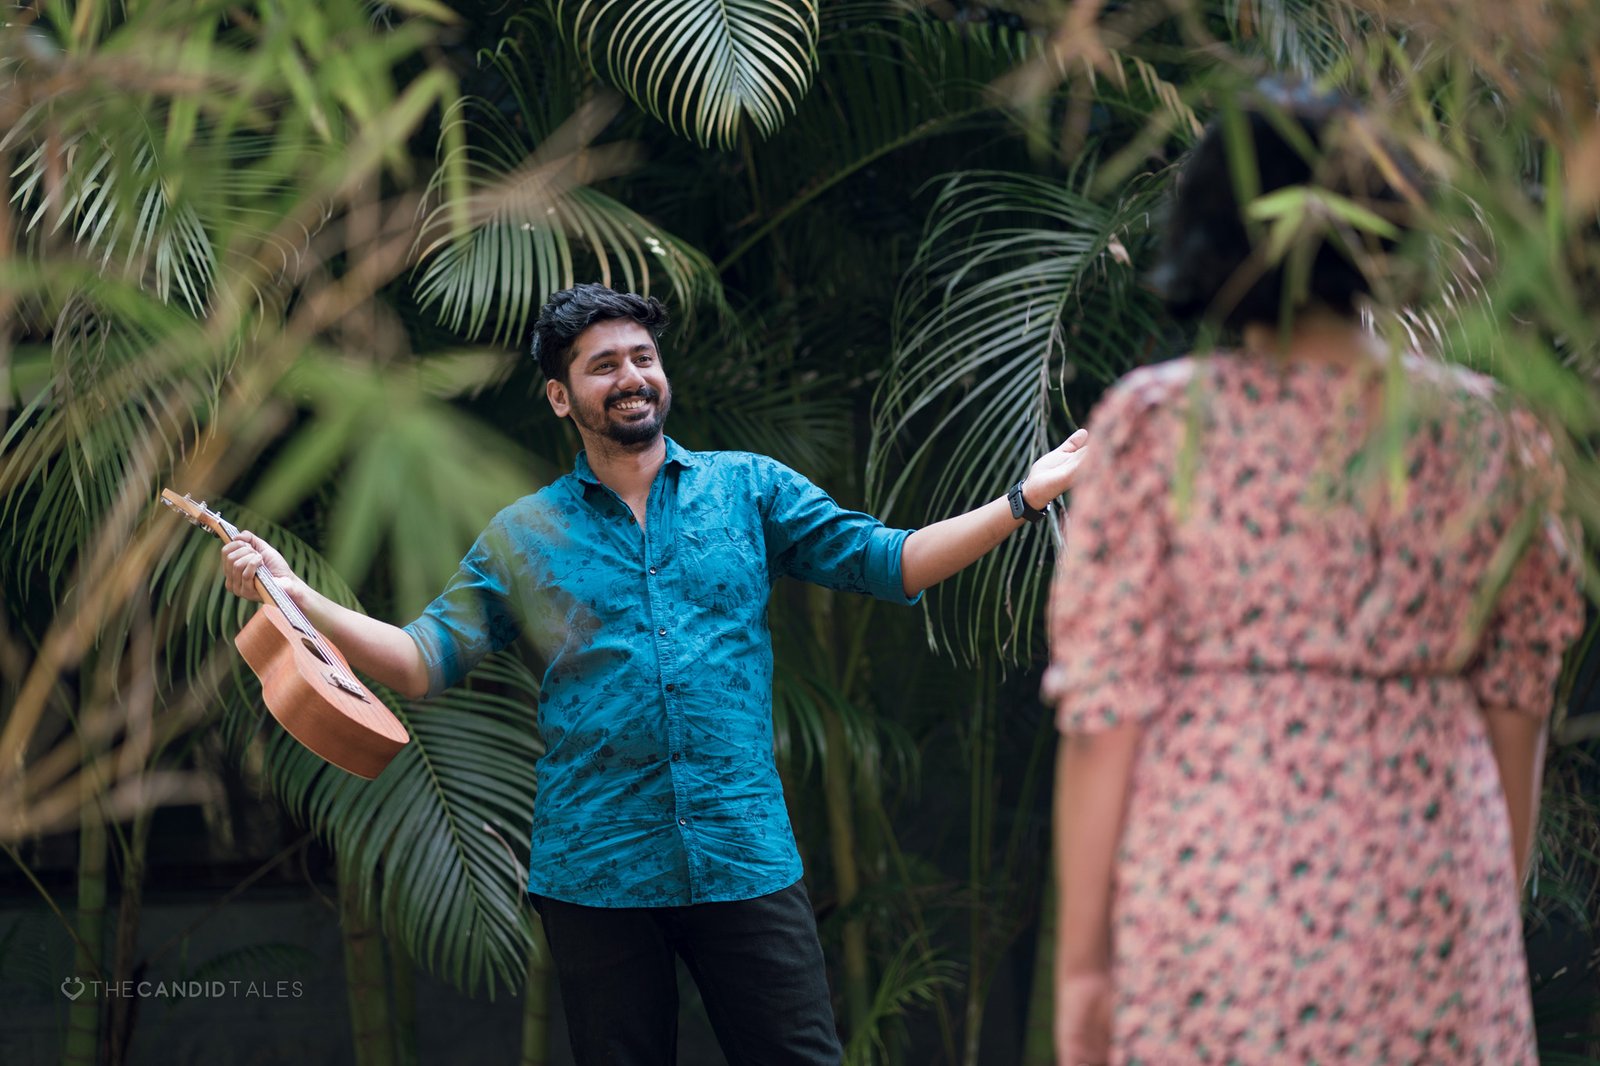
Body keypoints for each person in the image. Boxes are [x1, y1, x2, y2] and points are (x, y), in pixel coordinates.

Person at [219, 282, 1090, 1065]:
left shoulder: (748, 489)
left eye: (643, 357)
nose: (631, 377)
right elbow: (420, 661)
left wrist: (1022, 500)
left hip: (743, 855)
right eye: (603, 366)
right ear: (561, 396)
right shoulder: (525, 534)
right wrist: (297, 595)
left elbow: (893, 562)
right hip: (595, 870)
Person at [1045, 84, 1586, 1066]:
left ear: (1212, 233)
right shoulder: (1488, 434)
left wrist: (1083, 968)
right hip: (1429, 889)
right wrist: (1480, 915)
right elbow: (1519, 699)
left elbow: (1103, 715)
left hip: (1216, 895)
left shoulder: (1158, 427)